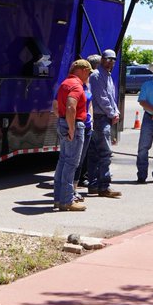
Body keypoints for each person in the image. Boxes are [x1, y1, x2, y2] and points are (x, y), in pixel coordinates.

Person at [52, 59, 92, 211]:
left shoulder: (65, 83)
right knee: (71, 163)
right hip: (73, 124)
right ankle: (67, 200)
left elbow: (56, 106)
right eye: (88, 72)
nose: (88, 76)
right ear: (82, 70)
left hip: (63, 122)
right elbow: (71, 106)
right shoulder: (76, 85)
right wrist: (71, 128)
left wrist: (64, 123)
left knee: (63, 161)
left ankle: (58, 199)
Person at [85, 49, 122, 198]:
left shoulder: (107, 75)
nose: (110, 62)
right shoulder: (96, 75)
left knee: (94, 153)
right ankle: (104, 186)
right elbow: (101, 98)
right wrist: (112, 113)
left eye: (113, 60)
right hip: (100, 118)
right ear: (102, 59)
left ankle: (94, 185)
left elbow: (111, 97)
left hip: (104, 117)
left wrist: (116, 111)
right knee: (105, 153)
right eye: (107, 59)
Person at [75, 54, 101, 190]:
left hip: (88, 123)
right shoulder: (79, 84)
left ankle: (84, 178)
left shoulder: (89, 83)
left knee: (86, 152)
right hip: (80, 124)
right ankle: (79, 180)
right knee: (80, 155)